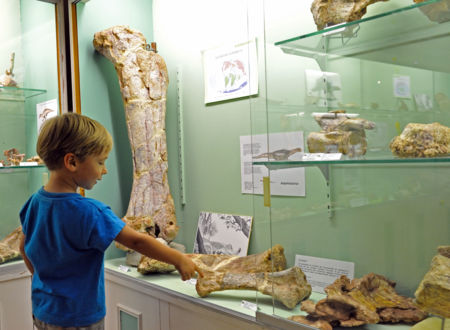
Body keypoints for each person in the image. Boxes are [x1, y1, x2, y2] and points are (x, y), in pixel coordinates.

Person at [19, 112, 202, 330]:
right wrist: (178, 259)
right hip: (79, 318)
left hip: (43, 311)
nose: (104, 170)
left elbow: (23, 248)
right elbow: (136, 242)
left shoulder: (34, 203)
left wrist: (45, 283)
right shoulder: (90, 211)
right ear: (72, 161)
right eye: (100, 162)